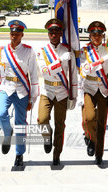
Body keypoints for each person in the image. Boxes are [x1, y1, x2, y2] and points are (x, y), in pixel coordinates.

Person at [0, 20, 39, 167]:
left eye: (17, 34)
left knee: (21, 124)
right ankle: (8, 133)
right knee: (0, 114)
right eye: (12, 34)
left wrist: (33, 98)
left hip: (21, 90)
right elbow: (2, 71)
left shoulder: (28, 51)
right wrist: (2, 86)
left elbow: (33, 74)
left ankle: (19, 154)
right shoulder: (3, 50)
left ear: (22, 35)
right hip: (7, 88)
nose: (13, 37)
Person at [78, 21, 108, 166]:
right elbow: (85, 70)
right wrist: (101, 61)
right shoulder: (84, 51)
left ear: (103, 36)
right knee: (89, 118)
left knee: (102, 123)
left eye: (99, 35)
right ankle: (91, 138)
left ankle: (99, 154)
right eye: (94, 34)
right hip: (89, 88)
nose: (96, 37)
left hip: (103, 89)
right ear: (90, 36)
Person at [36, 18, 77, 166]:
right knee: (42, 119)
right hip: (47, 90)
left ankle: (56, 154)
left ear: (61, 33)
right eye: (51, 32)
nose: (53, 35)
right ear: (48, 34)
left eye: (56, 32)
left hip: (62, 91)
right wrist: (60, 61)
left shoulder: (67, 50)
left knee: (60, 124)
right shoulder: (42, 51)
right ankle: (47, 137)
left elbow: (73, 74)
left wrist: (74, 95)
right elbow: (45, 71)